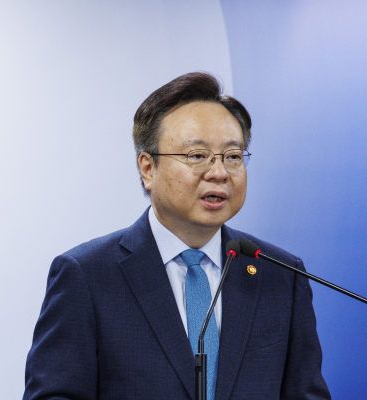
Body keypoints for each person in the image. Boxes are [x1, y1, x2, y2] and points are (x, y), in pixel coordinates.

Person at [23, 72, 331, 400]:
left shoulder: (281, 274)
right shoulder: (87, 275)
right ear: (148, 168)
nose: (219, 172)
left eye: (233, 156)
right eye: (197, 156)